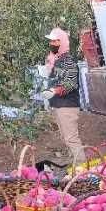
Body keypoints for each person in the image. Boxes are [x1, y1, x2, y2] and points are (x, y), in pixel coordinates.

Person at [41, 28, 86, 165]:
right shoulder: (57, 60)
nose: (53, 44)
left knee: (71, 138)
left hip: (67, 105)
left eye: (56, 41)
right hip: (59, 105)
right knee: (66, 137)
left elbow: (71, 83)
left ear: (63, 42)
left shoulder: (68, 61)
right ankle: (75, 163)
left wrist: (54, 91)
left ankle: (82, 166)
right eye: (51, 41)